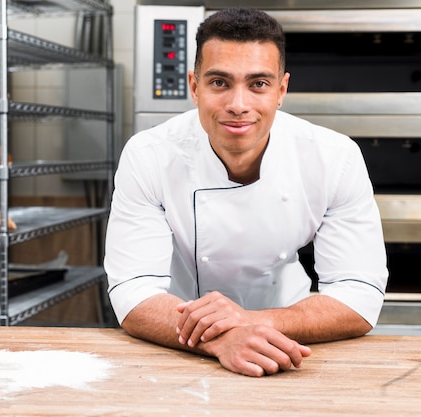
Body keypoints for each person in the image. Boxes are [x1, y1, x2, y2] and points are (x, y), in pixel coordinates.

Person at [103, 7, 388, 377]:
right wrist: (219, 340)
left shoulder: (334, 157)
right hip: (176, 341)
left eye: (258, 84)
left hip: (293, 341)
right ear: (194, 87)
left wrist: (251, 323)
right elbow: (133, 289)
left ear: (281, 90)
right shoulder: (149, 155)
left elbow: (359, 292)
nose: (238, 105)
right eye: (219, 82)